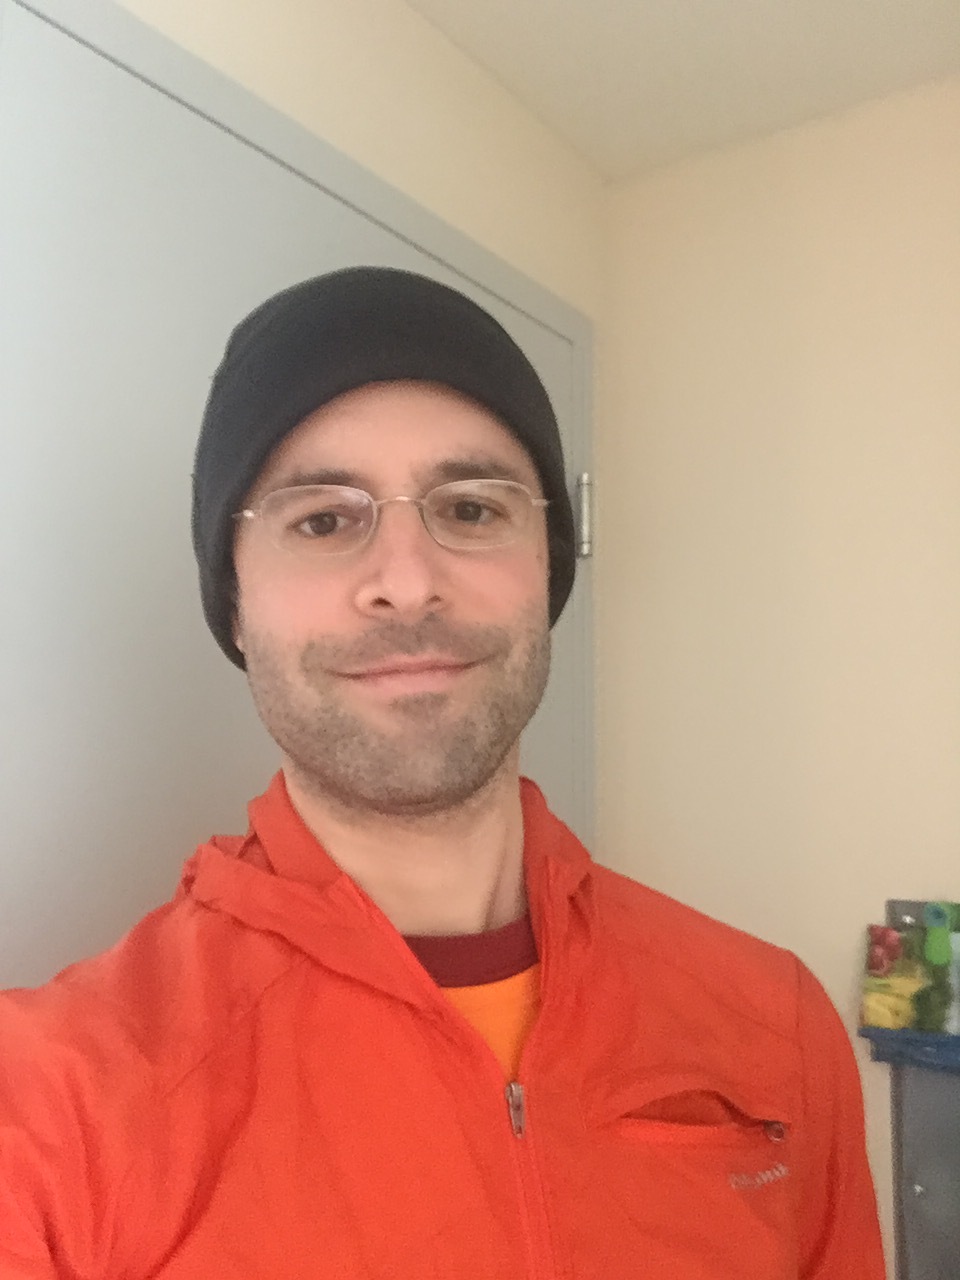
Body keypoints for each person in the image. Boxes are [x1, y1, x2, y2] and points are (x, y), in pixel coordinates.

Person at [0, 267, 884, 1278]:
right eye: (323, 520)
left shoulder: (773, 1024)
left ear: (547, 567)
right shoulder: (48, 1103)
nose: (409, 581)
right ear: (235, 603)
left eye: (469, 508)